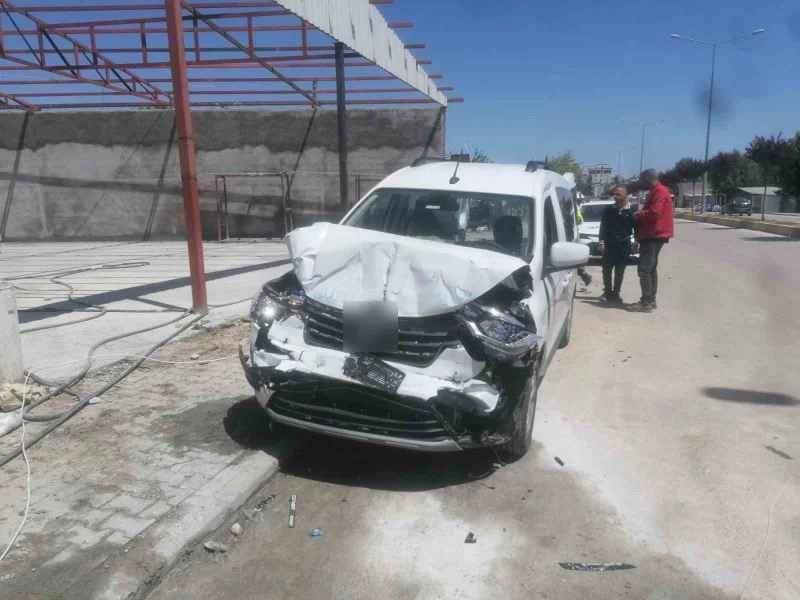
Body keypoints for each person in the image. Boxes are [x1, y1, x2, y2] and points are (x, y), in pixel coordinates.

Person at [631, 169, 674, 310]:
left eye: (642, 179)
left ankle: (646, 302)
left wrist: (640, 214)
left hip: (654, 235)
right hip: (653, 235)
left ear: (648, 178)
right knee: (651, 269)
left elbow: (655, 212)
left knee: (644, 269)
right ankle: (651, 300)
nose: (641, 182)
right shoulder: (656, 191)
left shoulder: (660, 191)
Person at [598, 185, 634, 303]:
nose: (615, 197)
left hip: (624, 246)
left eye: (618, 194)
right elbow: (603, 227)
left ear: (625, 195)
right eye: (614, 194)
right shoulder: (609, 210)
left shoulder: (632, 210)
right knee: (606, 271)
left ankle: (616, 294)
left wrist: (637, 242)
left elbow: (637, 227)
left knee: (619, 272)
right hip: (609, 245)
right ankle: (607, 292)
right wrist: (602, 242)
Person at [573, 198, 593, 286]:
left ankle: (584, 274)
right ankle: (584, 275)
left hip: (573, 235)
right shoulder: (573, 206)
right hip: (574, 234)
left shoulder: (573, 206)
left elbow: (579, 221)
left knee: (574, 261)